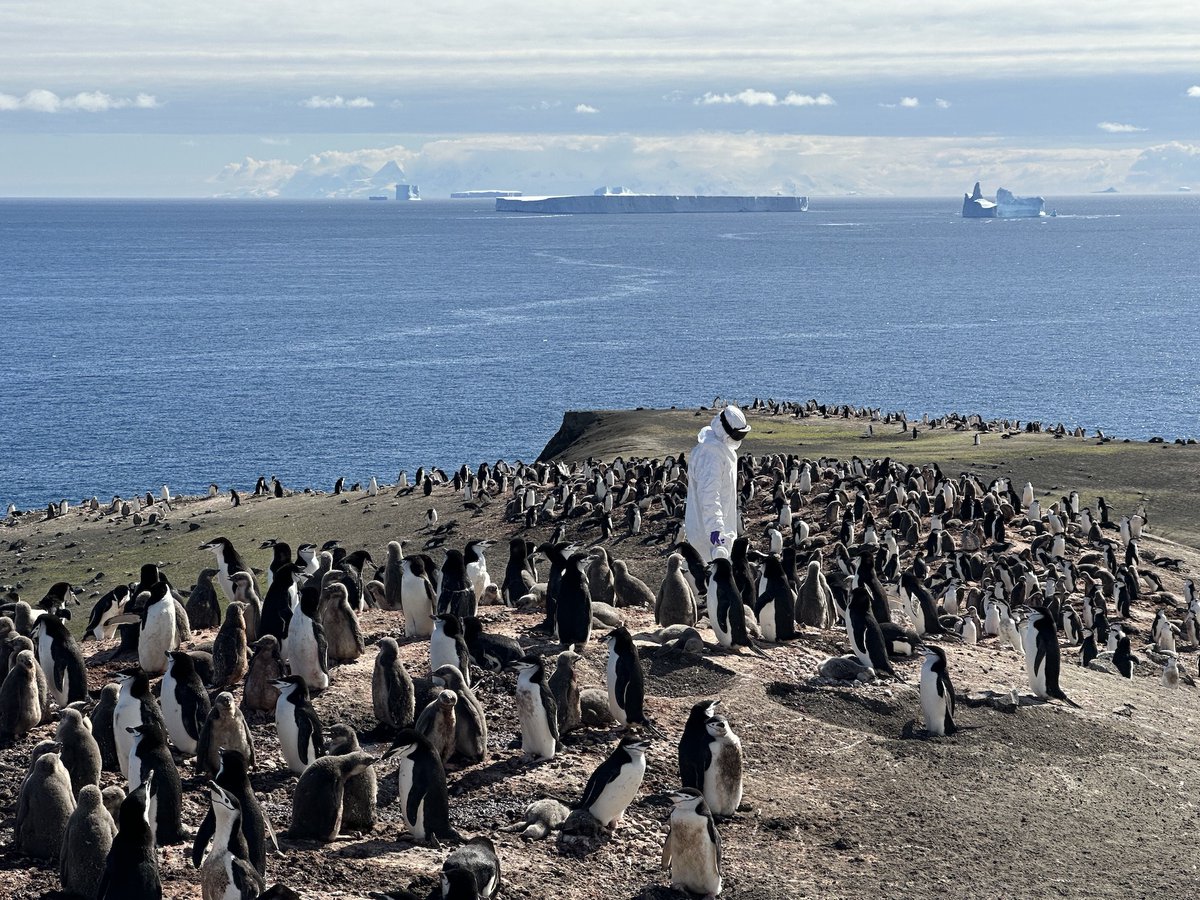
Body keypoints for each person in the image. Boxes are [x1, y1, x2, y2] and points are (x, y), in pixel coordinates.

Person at [684, 405, 750, 561]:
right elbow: (709, 495)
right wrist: (716, 529)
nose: (738, 439)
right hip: (710, 536)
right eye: (737, 434)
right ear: (724, 430)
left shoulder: (719, 449)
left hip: (717, 528)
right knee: (713, 573)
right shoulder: (711, 455)